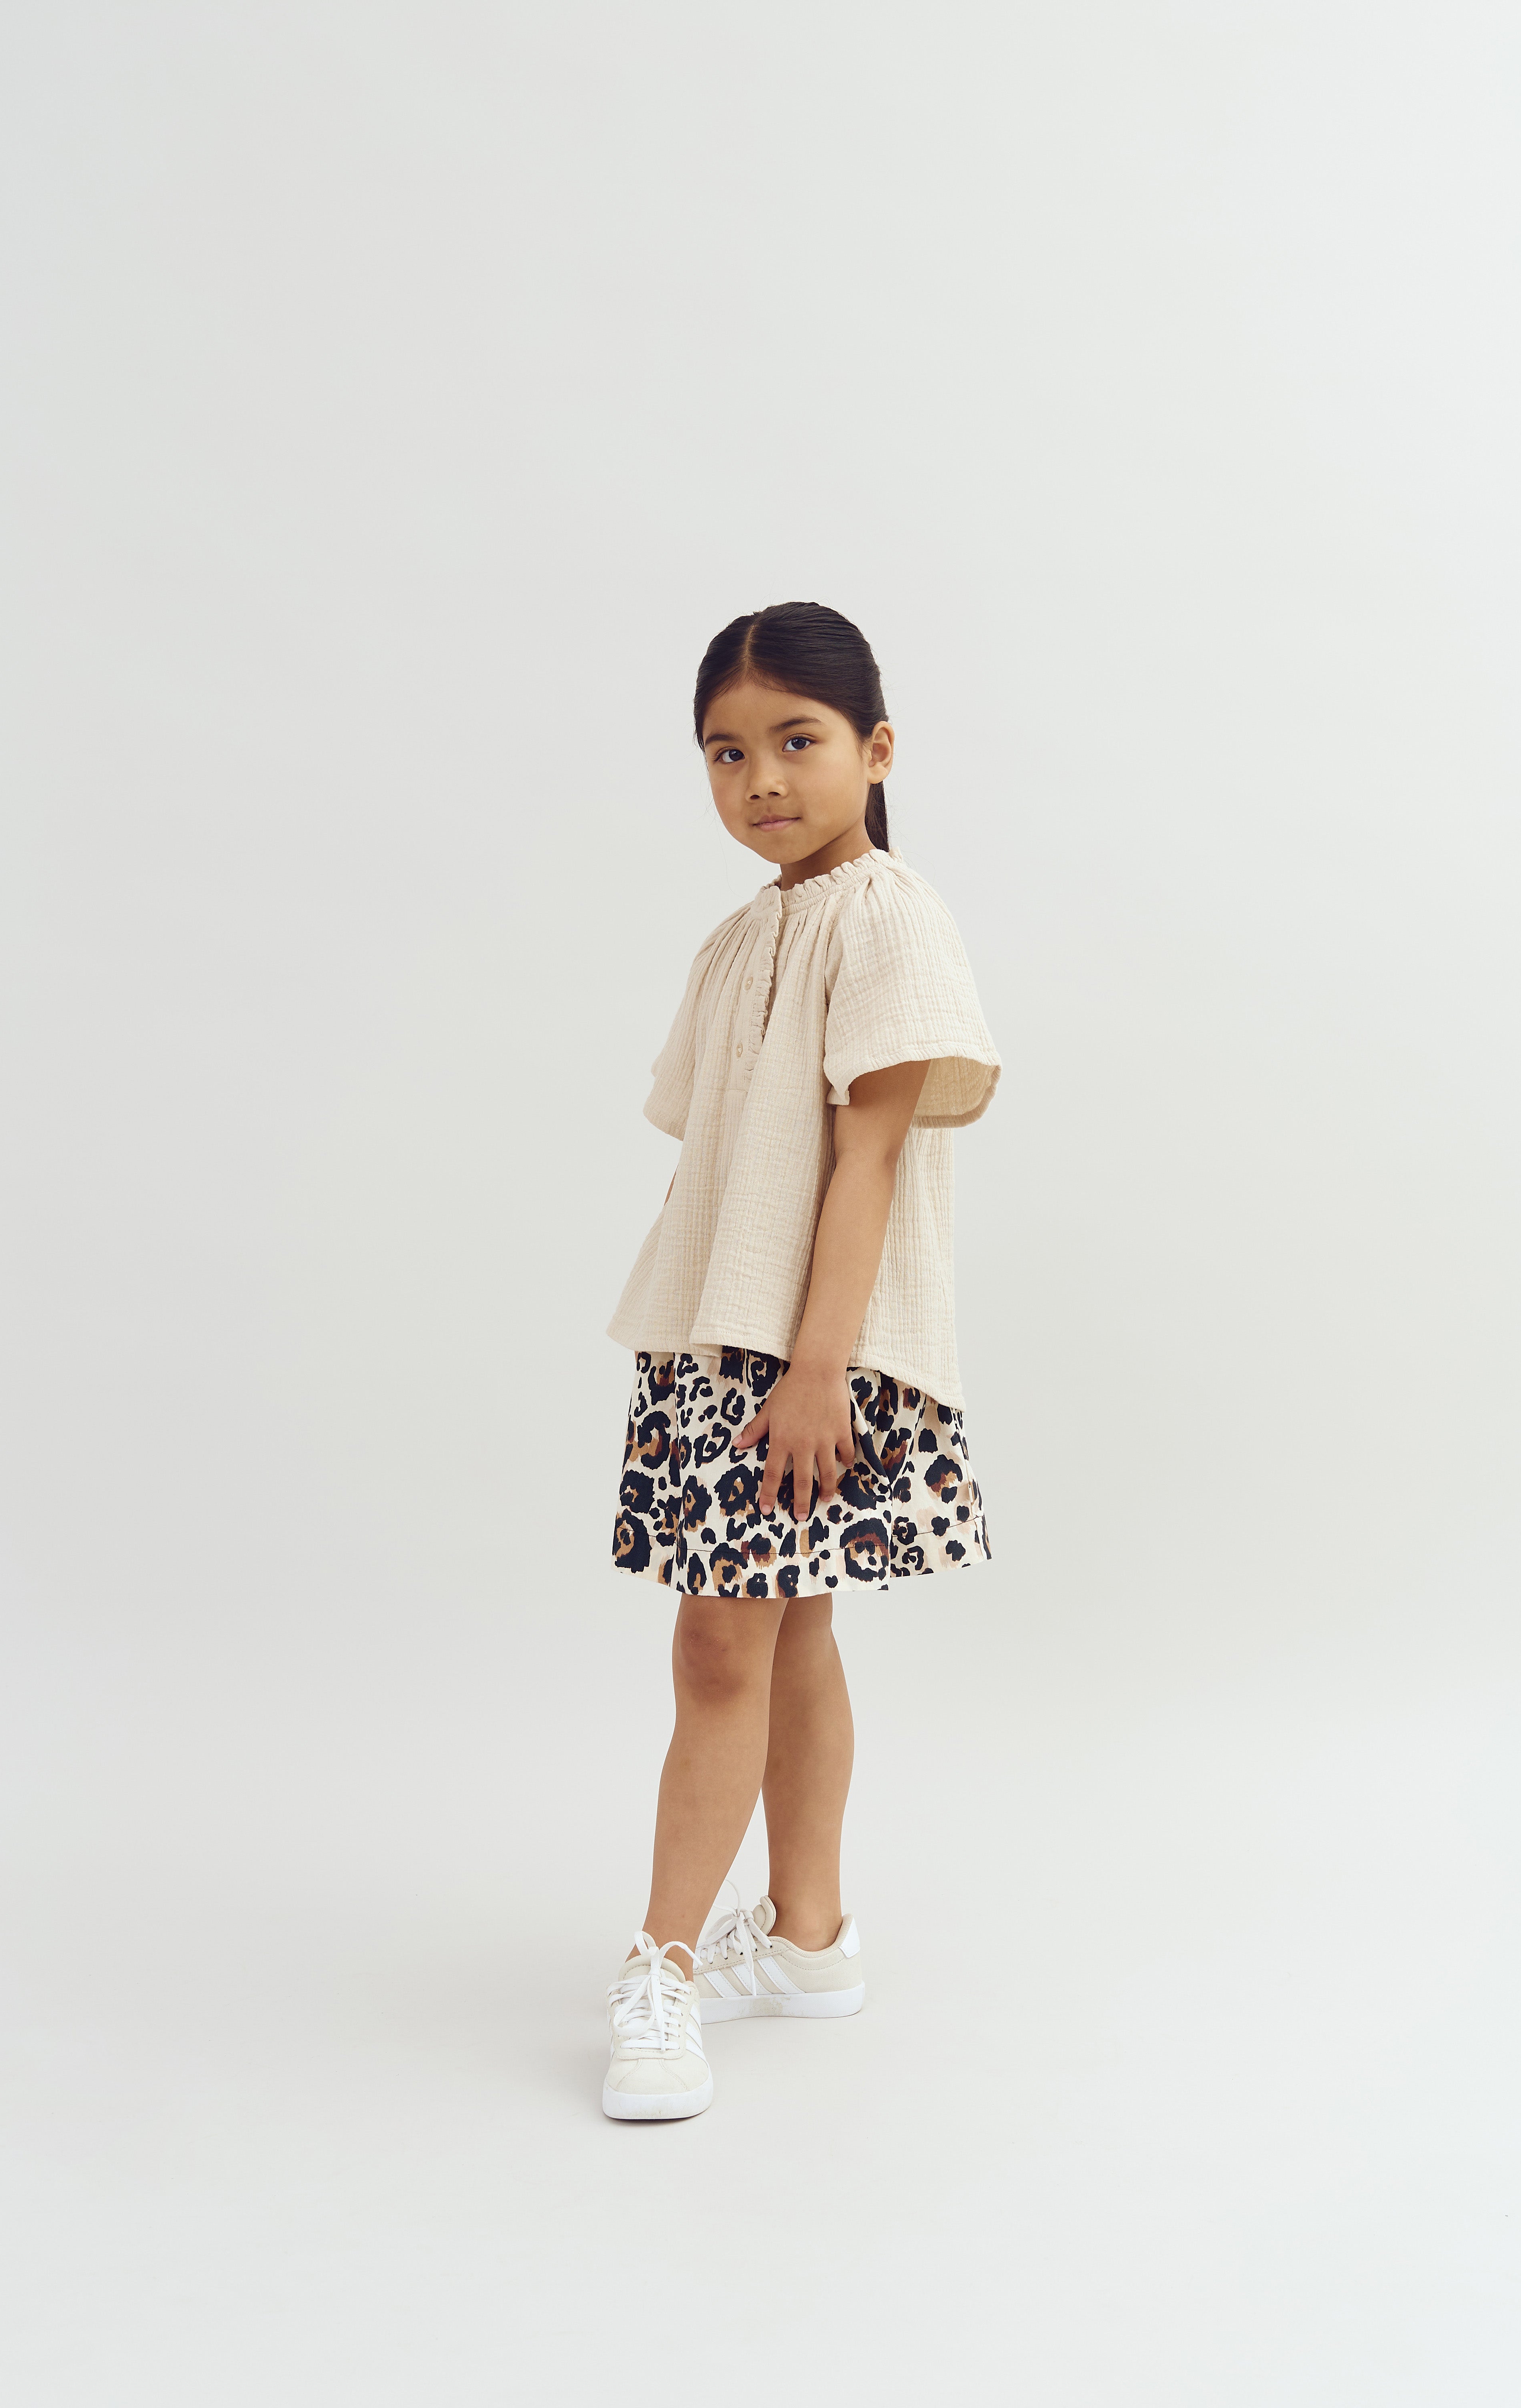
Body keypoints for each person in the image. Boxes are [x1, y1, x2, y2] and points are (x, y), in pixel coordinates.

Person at [601, 602, 1000, 2119]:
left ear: (874, 749)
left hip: (805, 1355)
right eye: (725, 751)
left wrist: (817, 1366)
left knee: (721, 1646)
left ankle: (666, 1967)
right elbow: (726, 1150)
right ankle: (813, 1939)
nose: (759, 777)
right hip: (725, 1337)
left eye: (795, 741)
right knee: (783, 1631)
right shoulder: (745, 931)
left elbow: (870, 1159)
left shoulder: (889, 917)